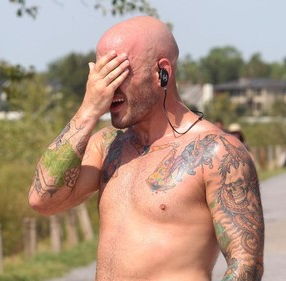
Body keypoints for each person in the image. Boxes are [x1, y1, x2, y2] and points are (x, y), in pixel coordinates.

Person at [28, 16, 264, 281]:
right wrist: (88, 110)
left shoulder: (217, 152)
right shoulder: (107, 146)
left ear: (161, 72)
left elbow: (245, 265)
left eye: (119, 73)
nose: (108, 88)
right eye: (102, 75)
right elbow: (42, 199)